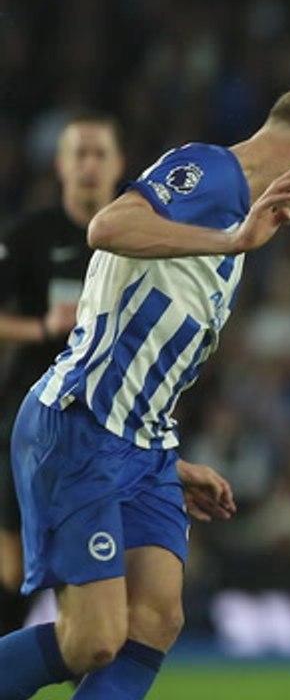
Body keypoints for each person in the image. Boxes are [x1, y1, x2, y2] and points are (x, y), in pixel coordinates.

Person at [0, 83, 290, 700]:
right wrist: (230, 240)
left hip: (141, 445)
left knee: (157, 619)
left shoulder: (241, 215)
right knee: (92, 641)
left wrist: (167, 461)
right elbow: (108, 225)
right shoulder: (213, 175)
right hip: (79, 425)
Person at [0, 113, 121, 635]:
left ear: (118, 164)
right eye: (80, 153)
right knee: (13, 570)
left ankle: (84, 649)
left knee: (97, 564)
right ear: (60, 164)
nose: (89, 165)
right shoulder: (30, 236)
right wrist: (41, 328)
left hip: (108, 423)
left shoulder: (136, 237)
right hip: (28, 420)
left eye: (100, 154)